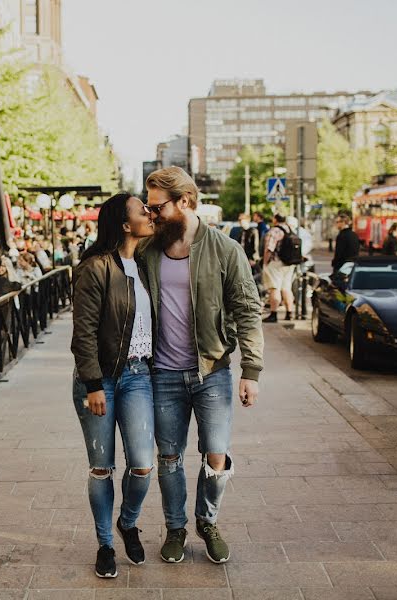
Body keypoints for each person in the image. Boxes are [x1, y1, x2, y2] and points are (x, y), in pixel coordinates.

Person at [141, 167, 263, 565]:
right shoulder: (148, 250)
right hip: (161, 375)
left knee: (216, 453)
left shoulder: (225, 250)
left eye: (157, 207)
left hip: (211, 373)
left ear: (185, 202)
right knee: (169, 457)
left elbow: (247, 310)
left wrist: (251, 371)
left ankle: (206, 521)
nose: (151, 213)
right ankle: (176, 528)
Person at [70, 192, 156, 578]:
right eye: (143, 211)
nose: (150, 214)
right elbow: (84, 332)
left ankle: (128, 521)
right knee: (102, 467)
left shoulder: (145, 264)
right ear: (125, 224)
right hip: (100, 378)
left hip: (138, 375)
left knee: (141, 465)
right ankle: (105, 544)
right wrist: (92, 383)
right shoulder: (96, 268)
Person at [261, 214, 297, 323]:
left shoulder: (274, 231)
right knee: (286, 288)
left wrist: (265, 263)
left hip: (275, 263)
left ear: (275, 219)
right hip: (289, 263)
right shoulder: (290, 229)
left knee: (274, 288)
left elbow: (269, 249)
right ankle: (289, 313)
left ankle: (273, 314)